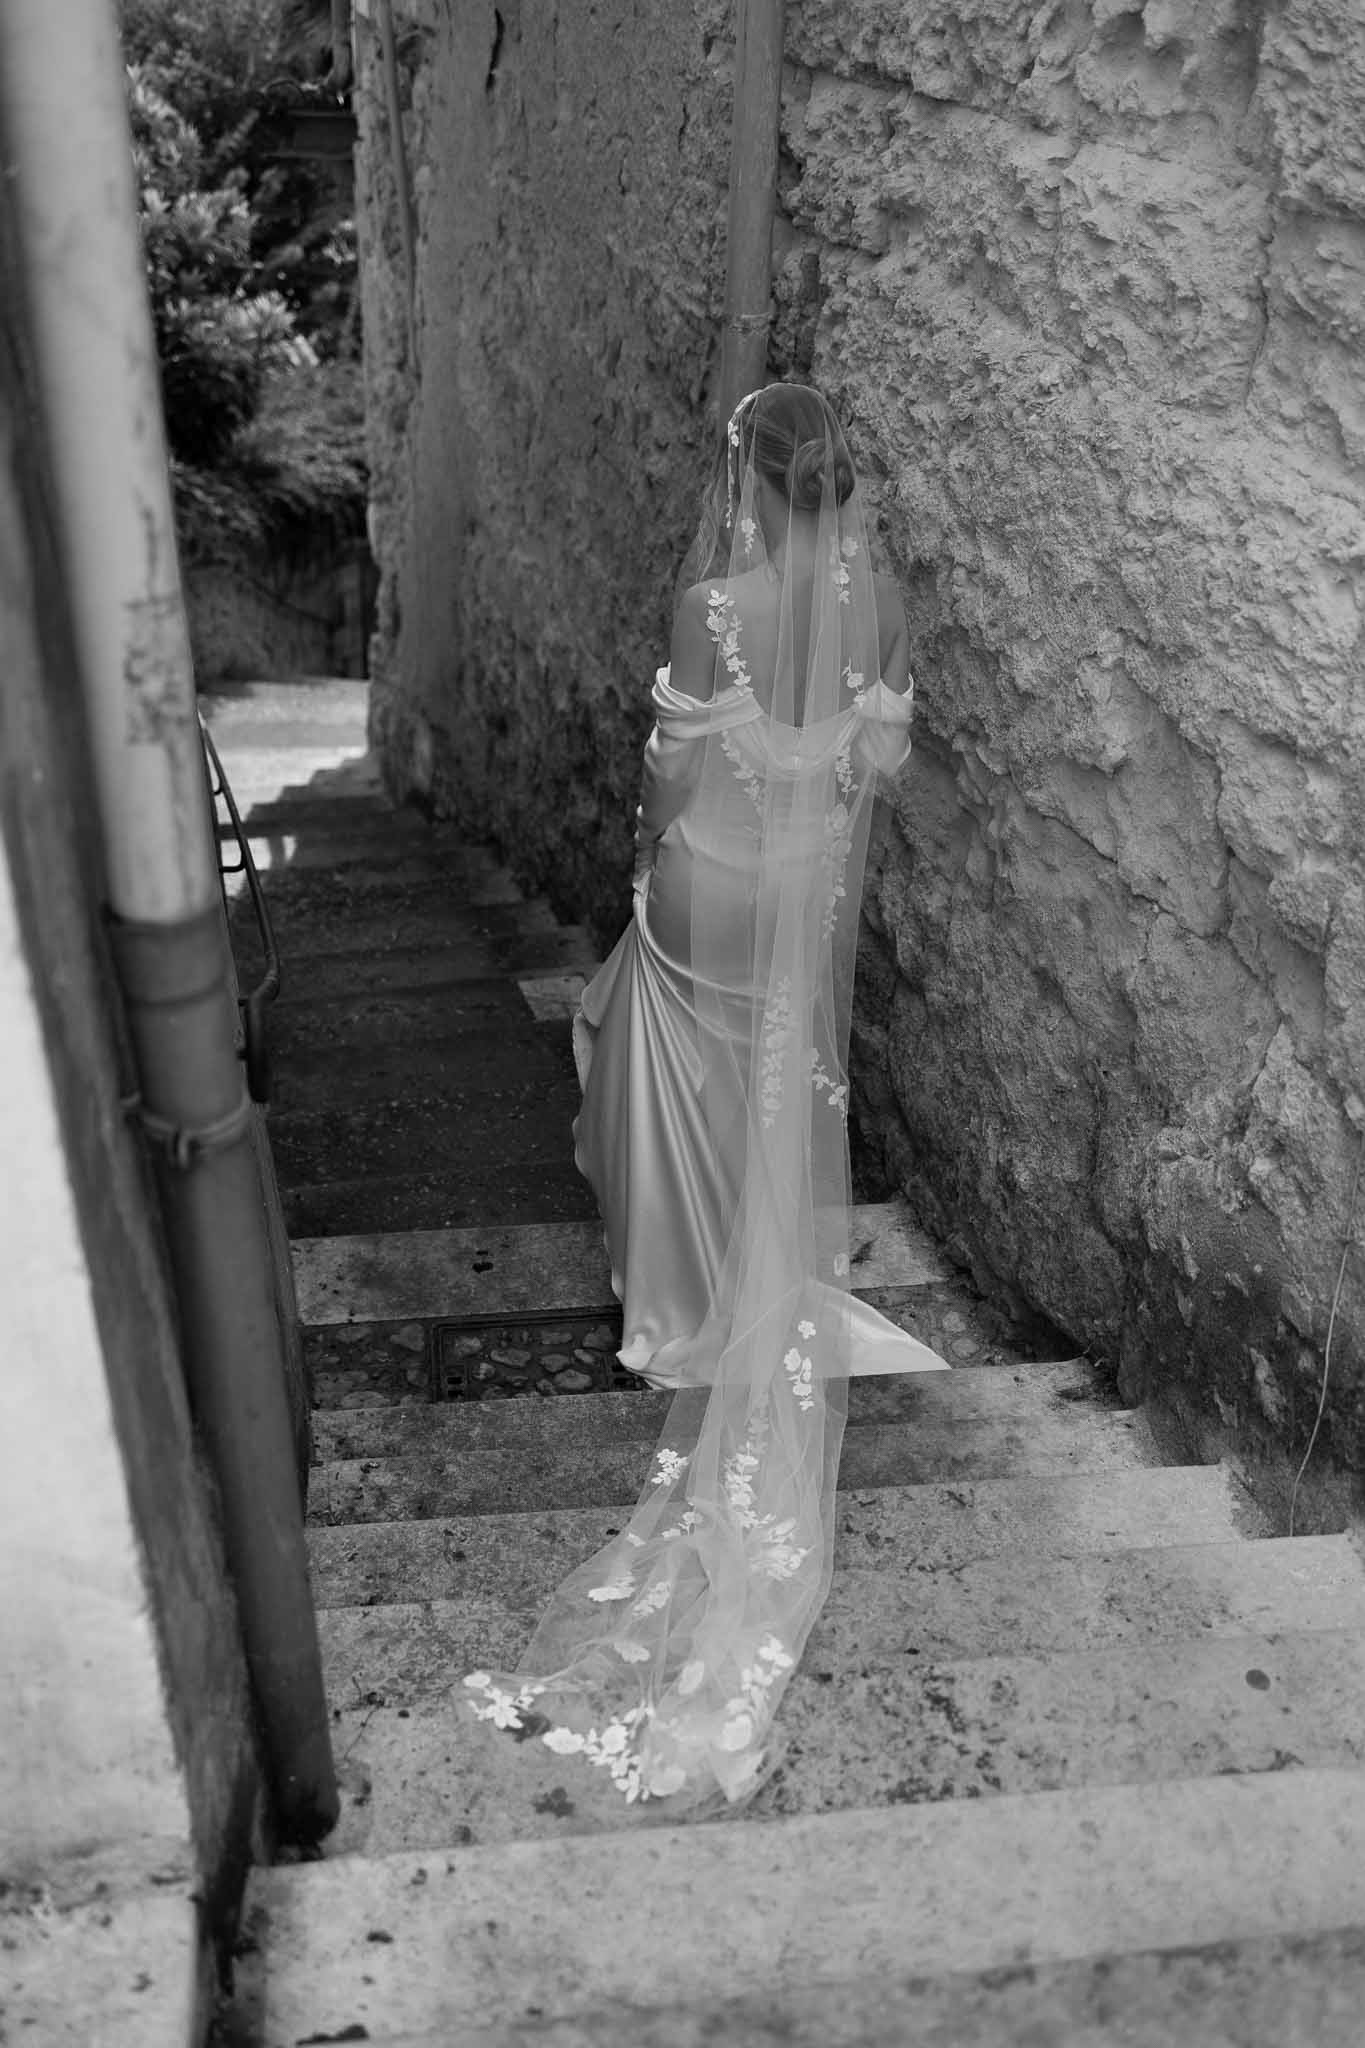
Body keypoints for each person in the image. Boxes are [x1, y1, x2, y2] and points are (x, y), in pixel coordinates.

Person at [464, 383, 947, 1813]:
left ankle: (674, 1303)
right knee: (768, 1077)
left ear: (750, 481)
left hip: (707, 892)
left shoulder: (708, 606)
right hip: (797, 896)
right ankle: (747, 1280)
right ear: (838, 494)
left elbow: (669, 776)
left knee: (649, 1033)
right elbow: (875, 761)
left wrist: (635, 872)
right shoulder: (876, 602)